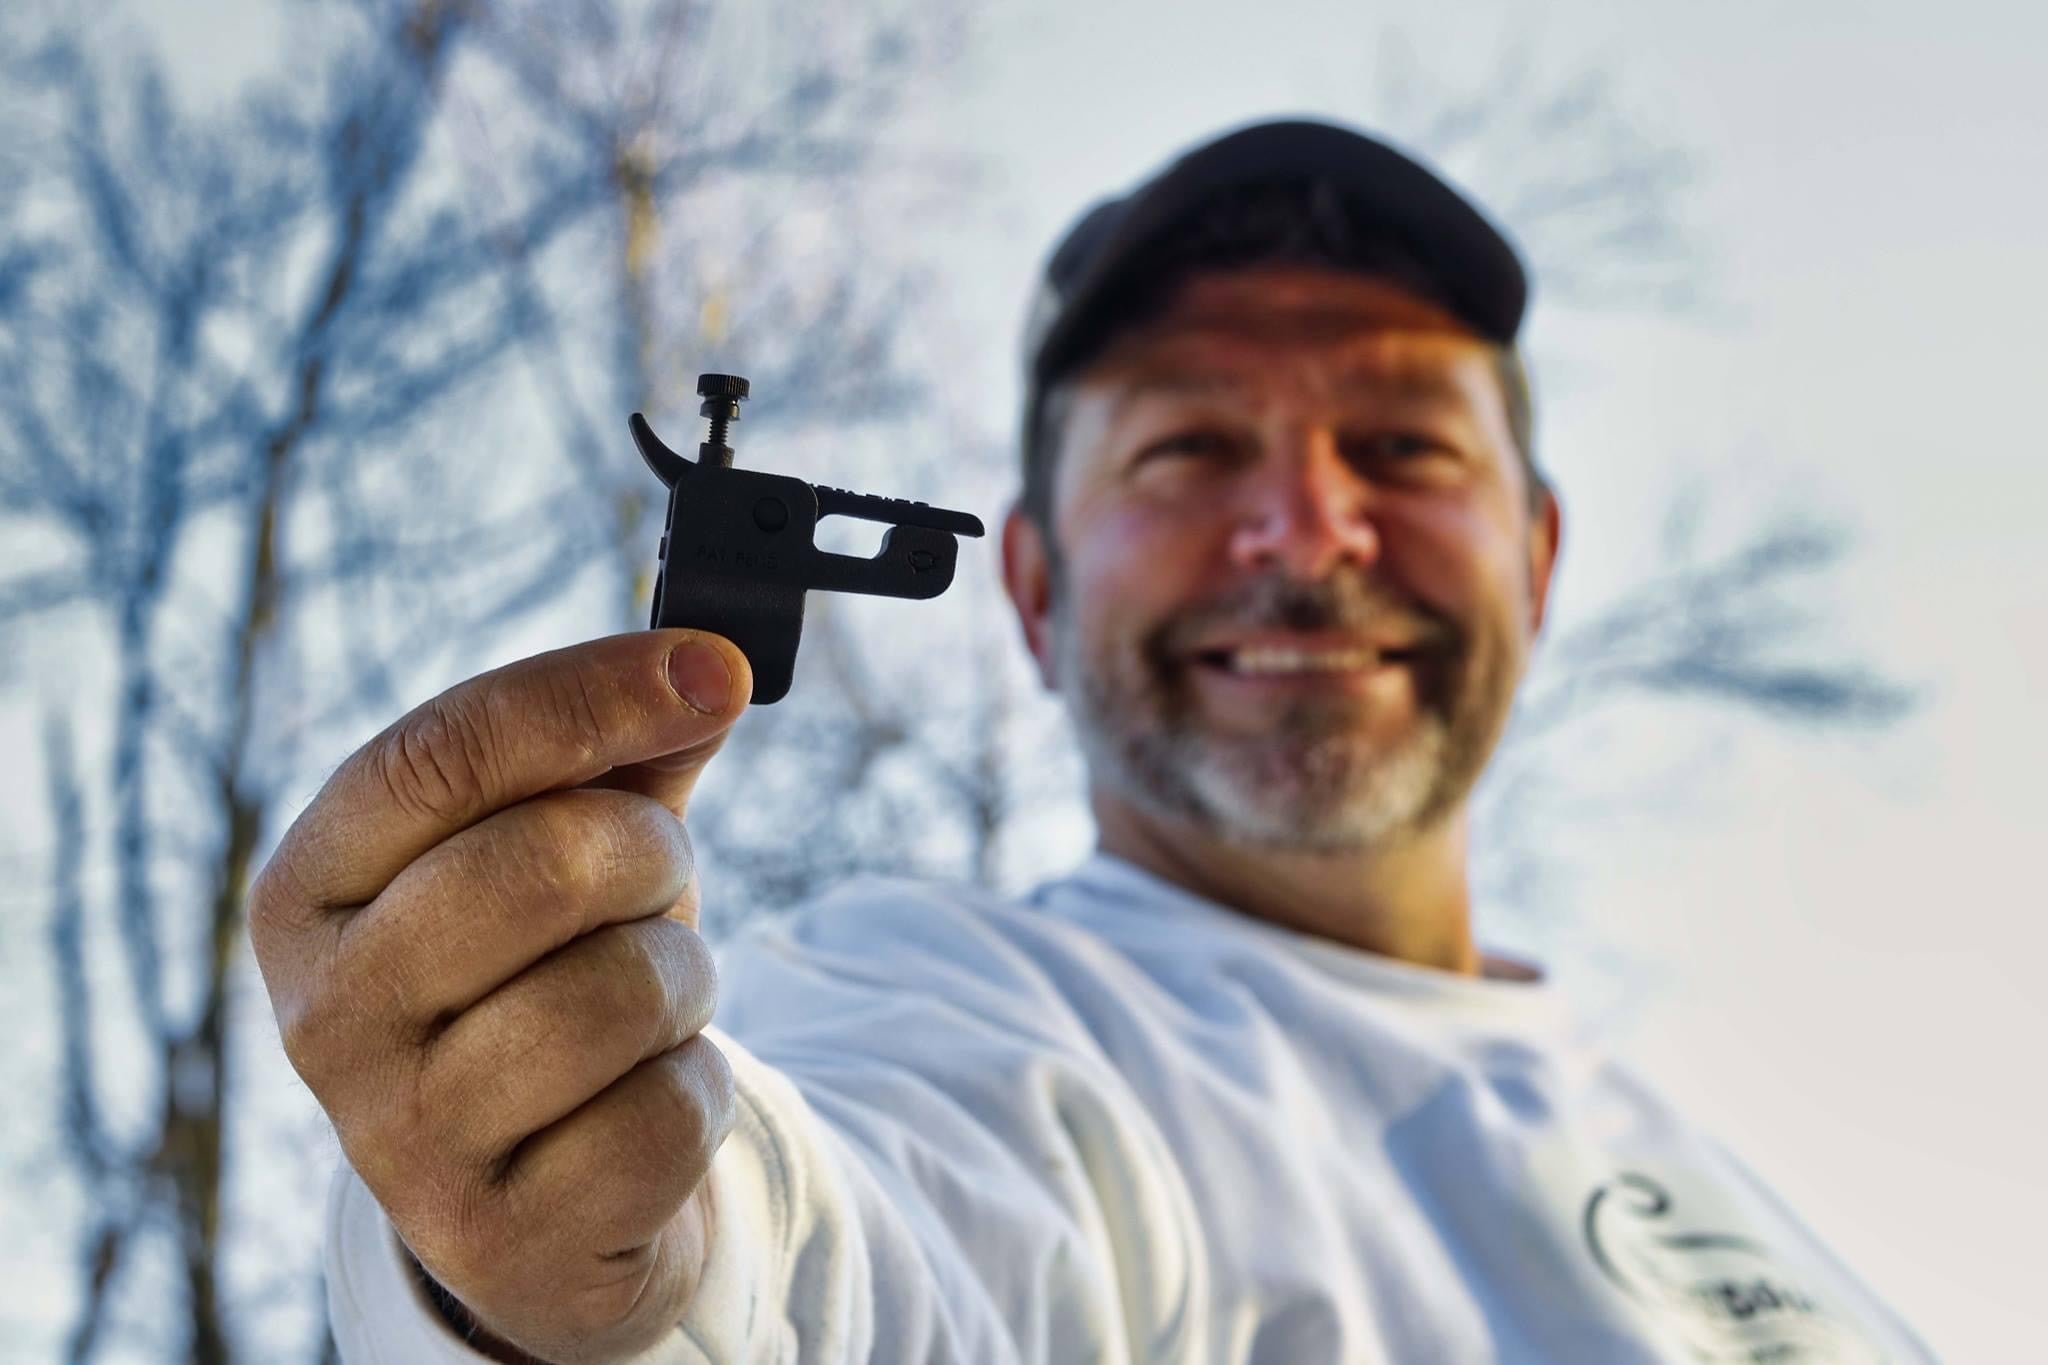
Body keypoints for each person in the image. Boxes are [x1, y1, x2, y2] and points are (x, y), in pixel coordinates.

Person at [250, 119, 1935, 1364]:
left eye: (1404, 446)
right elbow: (828, 1253)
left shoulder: (1773, 1219)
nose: (1303, 527)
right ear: (1038, 593)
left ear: (1542, 557)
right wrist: (606, 1263)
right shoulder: (1000, 1029)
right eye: (1191, 447)